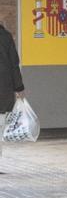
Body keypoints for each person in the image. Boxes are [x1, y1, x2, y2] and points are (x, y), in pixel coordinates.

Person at [0, 21, 24, 162]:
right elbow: (14, 63)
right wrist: (19, 87)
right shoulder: (6, 36)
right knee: (0, 125)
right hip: (4, 88)